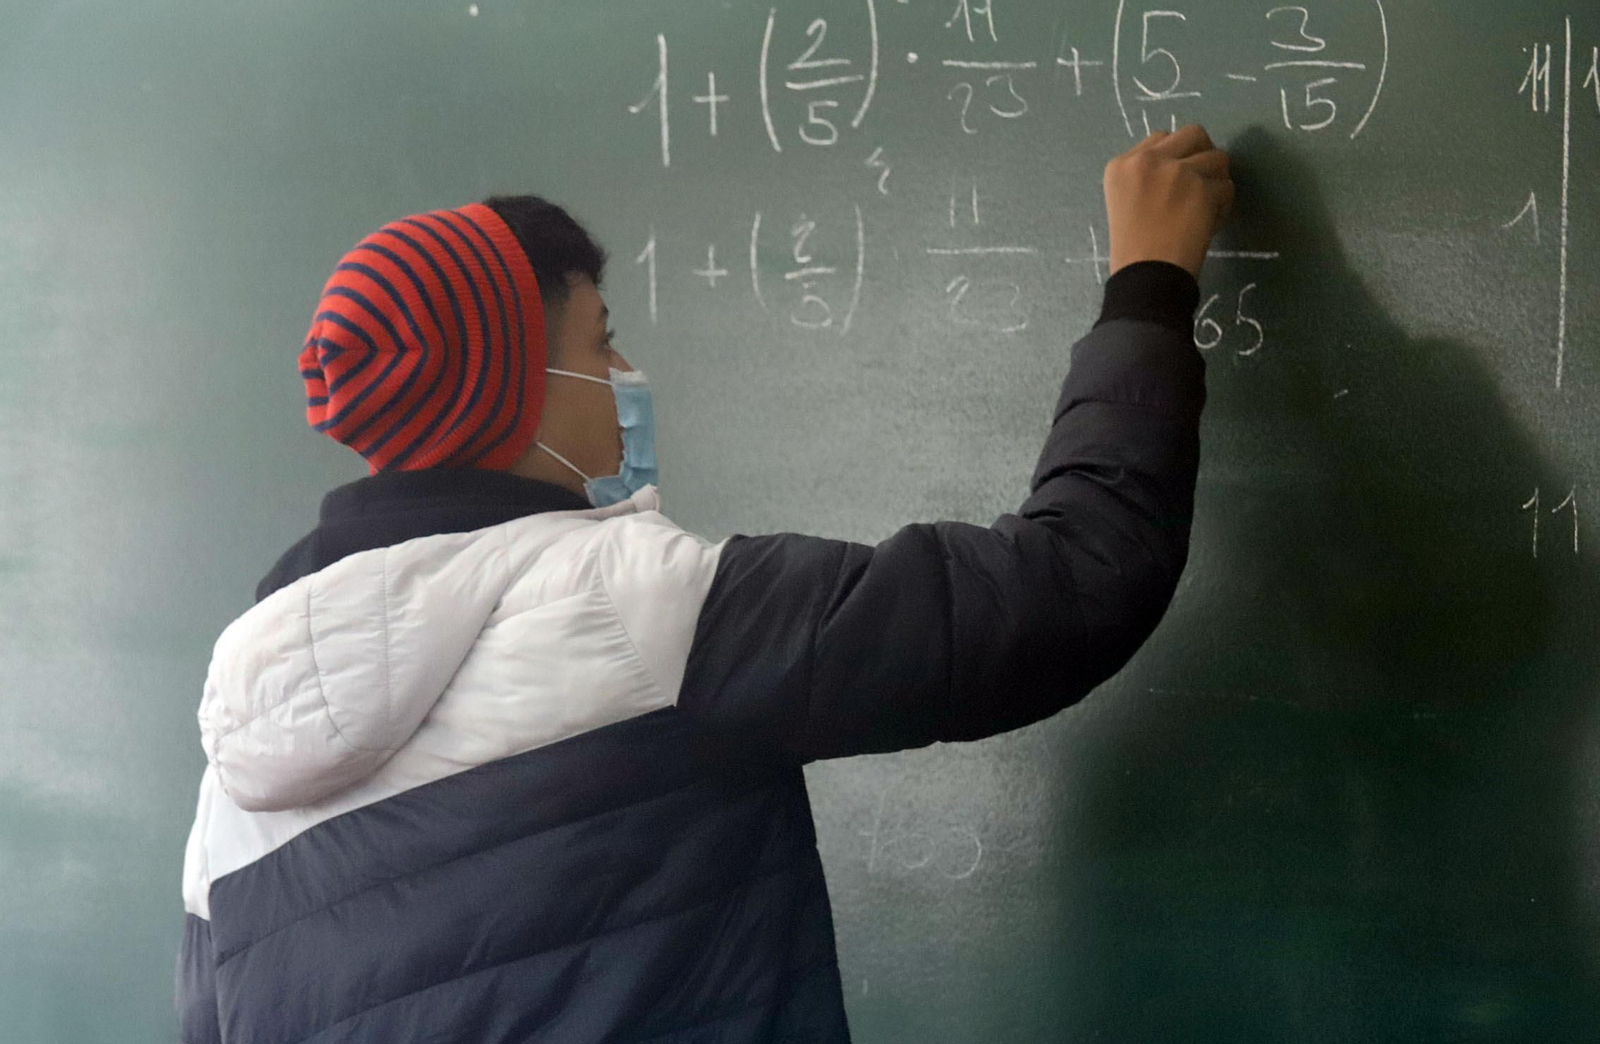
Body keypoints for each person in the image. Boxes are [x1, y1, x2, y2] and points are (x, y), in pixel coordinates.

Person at [174, 124, 1233, 1043]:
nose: (627, 381)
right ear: (512, 392)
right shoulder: (630, 608)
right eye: (601, 345)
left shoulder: (237, 773)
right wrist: (1149, 282)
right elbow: (1068, 585)